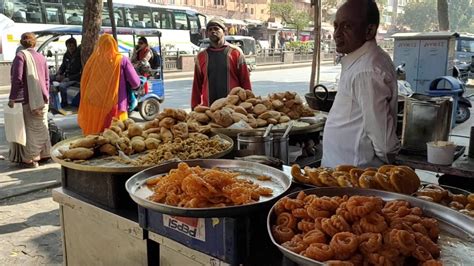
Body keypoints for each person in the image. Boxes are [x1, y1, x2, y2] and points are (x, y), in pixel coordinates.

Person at [321, 0, 400, 168]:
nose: (336, 34)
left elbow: (385, 145)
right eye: (336, 26)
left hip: (355, 175)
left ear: (369, 30)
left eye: (347, 27)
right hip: (341, 174)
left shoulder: (366, 70)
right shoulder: (361, 61)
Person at [78, 34, 140, 135]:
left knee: (95, 138)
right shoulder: (121, 60)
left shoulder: (93, 61)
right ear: (114, 45)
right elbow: (135, 82)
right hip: (115, 106)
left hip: (94, 104)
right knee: (116, 138)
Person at [8, 32, 50, 168]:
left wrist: (12, 98)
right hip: (43, 99)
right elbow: (47, 80)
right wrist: (45, 96)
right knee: (42, 127)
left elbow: (17, 79)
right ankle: (45, 154)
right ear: (35, 43)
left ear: (21, 43)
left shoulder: (20, 56)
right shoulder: (41, 57)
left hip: (28, 99)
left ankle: (32, 158)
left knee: (31, 129)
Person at [191, 18, 252, 109]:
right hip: (209, 110)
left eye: (216, 29)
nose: (213, 31)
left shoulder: (236, 53)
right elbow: (197, 85)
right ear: (207, 33)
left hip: (233, 109)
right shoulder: (201, 56)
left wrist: (248, 104)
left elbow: (245, 81)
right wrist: (194, 107)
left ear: (224, 31)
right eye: (210, 30)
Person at [54, 37, 82, 108]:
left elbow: (80, 72)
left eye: (72, 46)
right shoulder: (66, 55)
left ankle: (64, 103)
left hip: (75, 78)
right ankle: (53, 102)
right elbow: (63, 66)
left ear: (75, 46)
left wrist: (68, 78)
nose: (71, 48)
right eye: (69, 46)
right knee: (50, 78)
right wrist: (59, 73)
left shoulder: (79, 56)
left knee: (62, 85)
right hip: (66, 76)